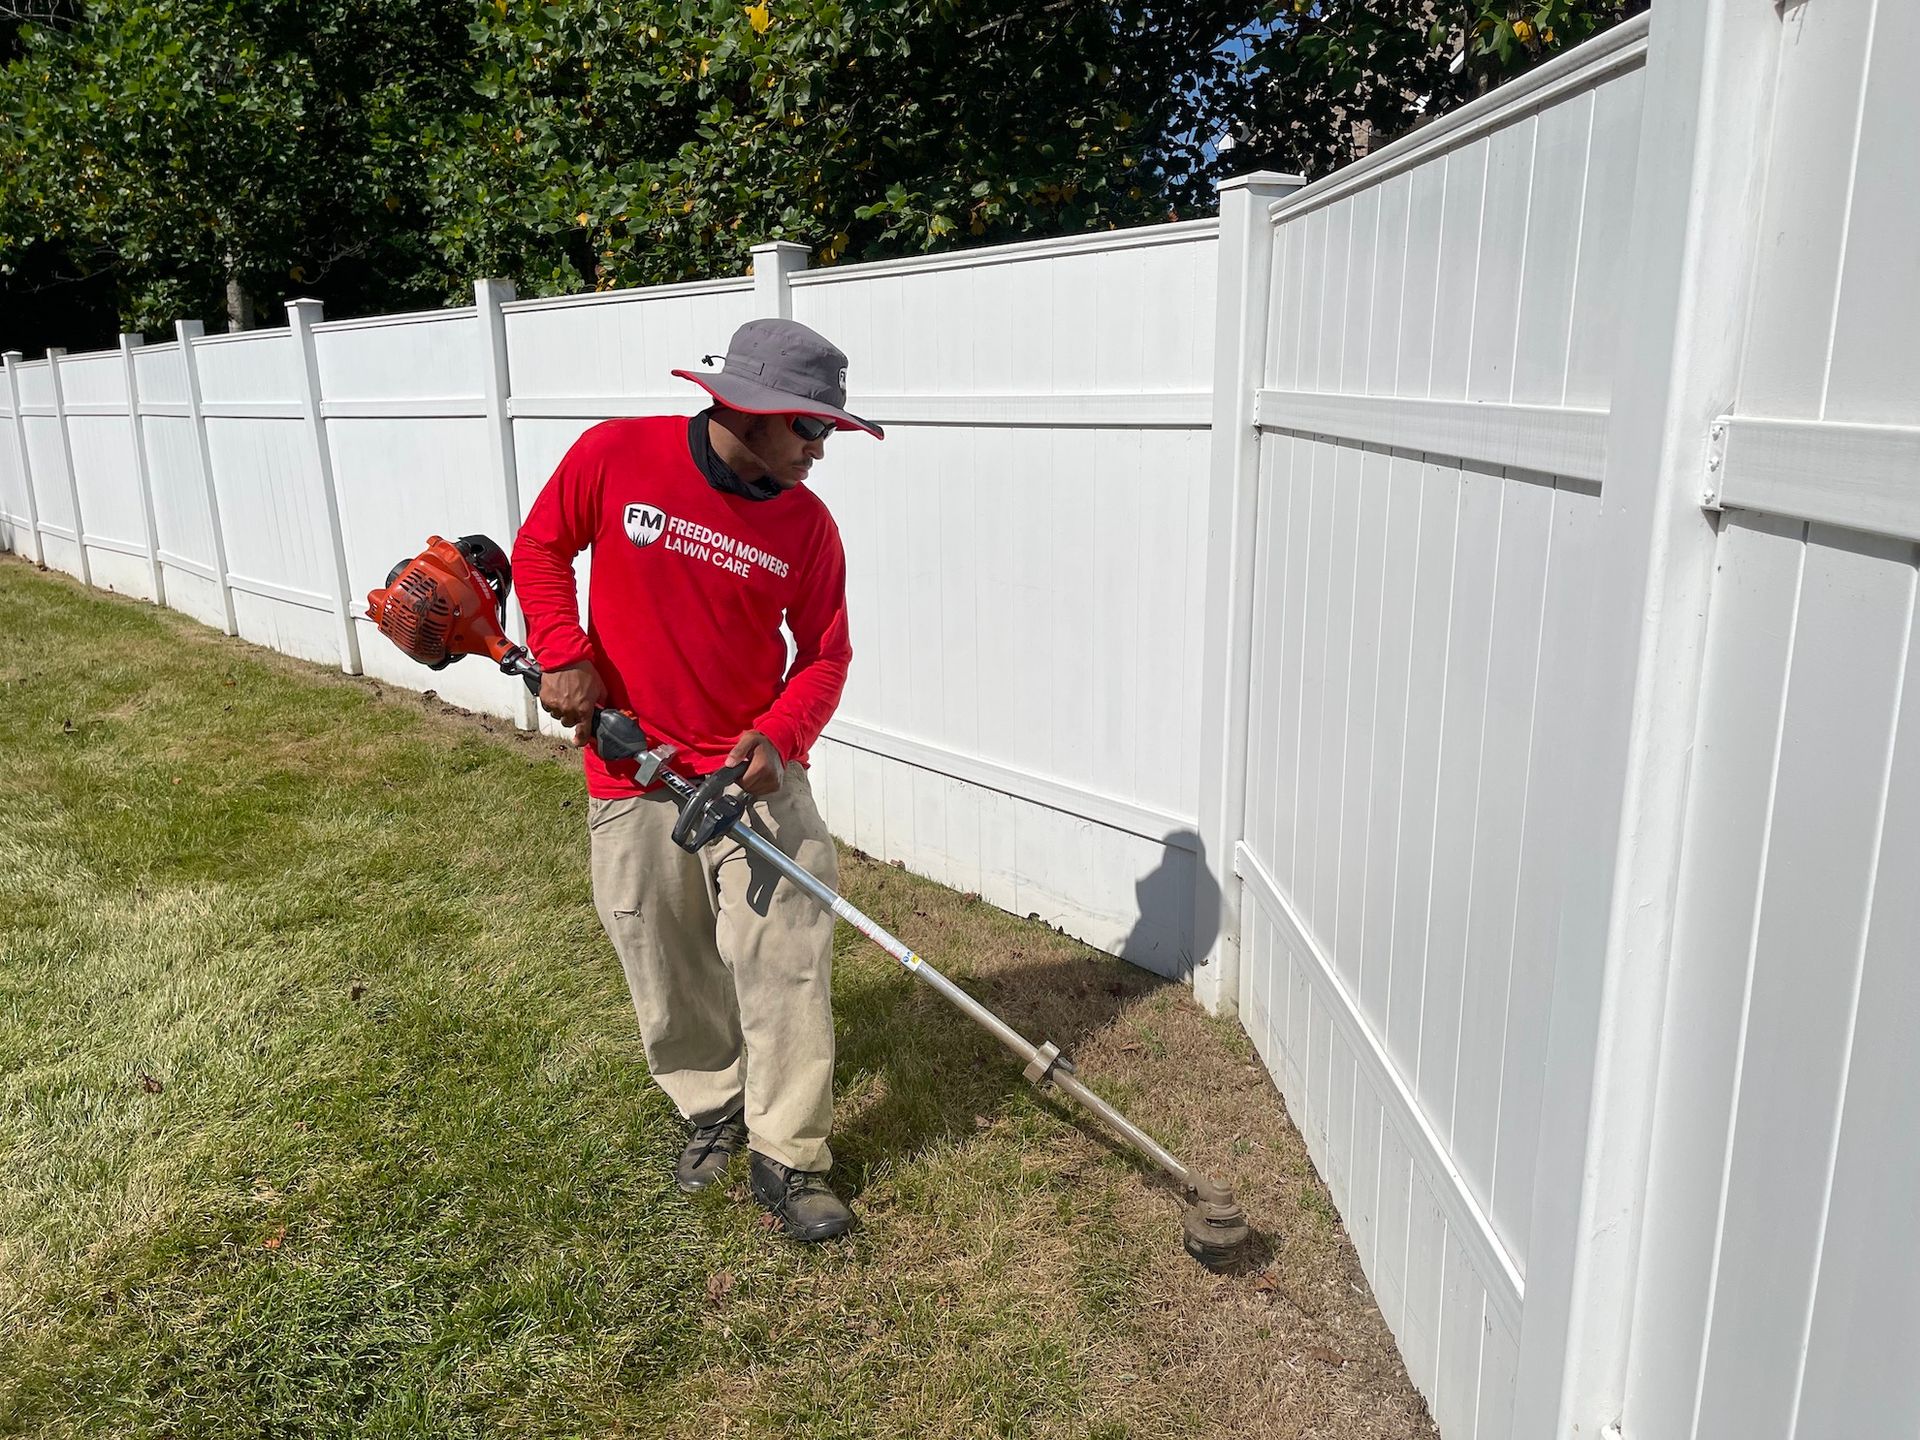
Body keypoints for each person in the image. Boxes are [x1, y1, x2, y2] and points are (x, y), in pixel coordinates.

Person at [510, 318, 883, 1242]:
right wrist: (562, 652)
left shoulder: (806, 525)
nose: (818, 449)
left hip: (750, 775)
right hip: (632, 768)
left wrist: (779, 735)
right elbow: (541, 549)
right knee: (661, 953)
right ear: (747, 410)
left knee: (787, 956)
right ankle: (711, 1105)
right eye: (809, 428)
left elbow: (826, 654)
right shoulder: (615, 454)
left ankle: (787, 1155)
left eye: (827, 429)